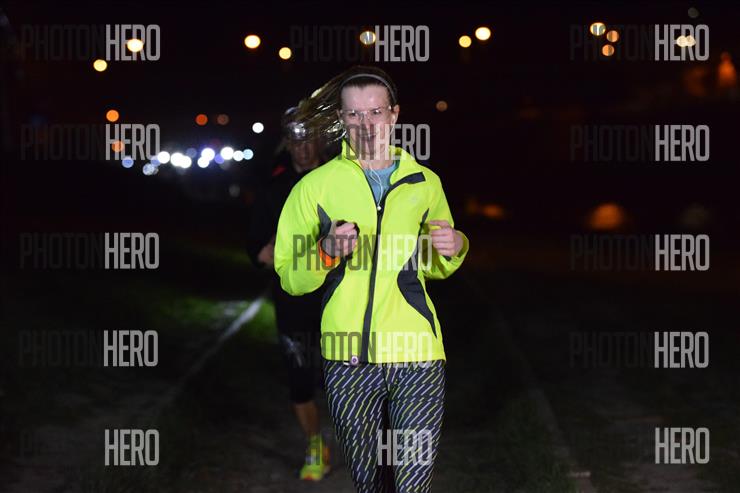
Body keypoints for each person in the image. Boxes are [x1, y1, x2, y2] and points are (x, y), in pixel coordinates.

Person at [274, 66, 469, 492]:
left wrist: (454, 246)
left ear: (394, 115)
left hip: (418, 352)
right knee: (369, 482)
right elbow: (290, 276)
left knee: (412, 480)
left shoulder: (425, 183)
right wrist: (325, 251)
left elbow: (437, 263)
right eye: (354, 114)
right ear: (341, 119)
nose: (366, 124)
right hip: (349, 356)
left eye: (375, 112)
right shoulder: (314, 188)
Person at [246, 107, 330, 481]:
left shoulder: (341, 180)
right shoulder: (274, 189)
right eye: (296, 141)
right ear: (287, 144)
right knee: (299, 380)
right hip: (293, 303)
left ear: (321, 141)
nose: (303, 148)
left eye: (310, 139)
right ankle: (315, 446)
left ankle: (368, 447)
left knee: (350, 377)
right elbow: (257, 251)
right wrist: (269, 251)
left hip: (338, 300)